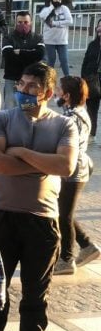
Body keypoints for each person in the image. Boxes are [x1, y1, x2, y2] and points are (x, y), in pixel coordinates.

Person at [0, 62, 78, 331]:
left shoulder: (64, 125)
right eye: (21, 83)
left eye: (31, 86)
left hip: (43, 219)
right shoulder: (1, 118)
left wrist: (19, 152)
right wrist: (42, 164)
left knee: (37, 288)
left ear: (47, 92)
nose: (23, 90)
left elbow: (66, 167)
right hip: (3, 215)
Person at [53, 76, 100, 274]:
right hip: (76, 167)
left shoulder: (71, 117)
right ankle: (87, 246)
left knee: (64, 215)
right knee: (63, 212)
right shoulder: (76, 112)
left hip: (73, 170)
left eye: (58, 89)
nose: (55, 91)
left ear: (67, 95)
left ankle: (67, 259)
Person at [1, 11, 45, 110]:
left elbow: (40, 54)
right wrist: (30, 54)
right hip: (12, 78)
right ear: (16, 23)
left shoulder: (38, 37)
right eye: (20, 22)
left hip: (31, 79)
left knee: (29, 109)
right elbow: (8, 55)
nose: (23, 25)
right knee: (10, 107)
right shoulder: (8, 37)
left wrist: (19, 52)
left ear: (31, 22)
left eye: (26, 22)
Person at [39, 0, 73, 77]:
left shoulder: (64, 8)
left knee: (64, 60)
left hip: (62, 40)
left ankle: (67, 78)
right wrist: (51, 7)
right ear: (52, 0)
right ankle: (49, 79)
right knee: (51, 61)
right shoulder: (47, 9)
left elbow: (70, 21)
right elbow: (42, 16)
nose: (57, 0)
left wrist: (55, 23)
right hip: (49, 40)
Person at [81, 20, 101, 139]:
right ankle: (90, 134)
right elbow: (85, 62)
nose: (99, 29)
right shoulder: (92, 44)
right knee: (91, 110)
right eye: (99, 26)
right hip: (92, 80)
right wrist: (84, 78)